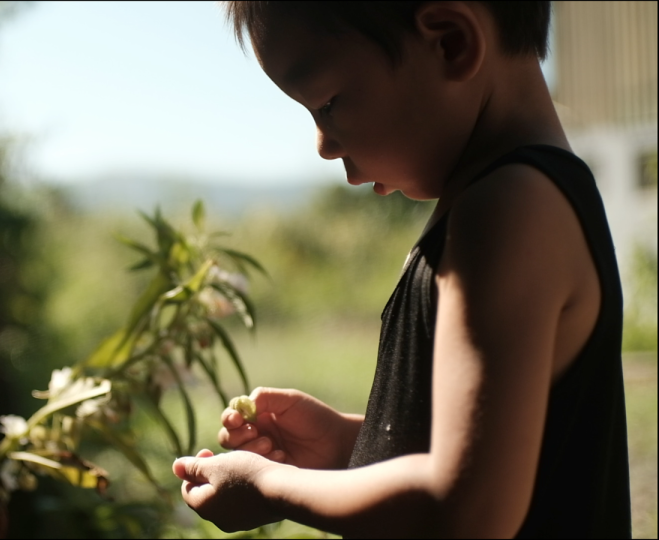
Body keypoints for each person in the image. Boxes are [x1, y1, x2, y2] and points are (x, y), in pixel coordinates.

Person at [171, 2, 631, 537]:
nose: (323, 144)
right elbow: (490, 449)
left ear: (450, 43)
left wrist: (267, 486)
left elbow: (467, 510)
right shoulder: (491, 203)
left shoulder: (510, 209)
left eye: (328, 103)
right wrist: (347, 444)